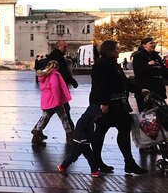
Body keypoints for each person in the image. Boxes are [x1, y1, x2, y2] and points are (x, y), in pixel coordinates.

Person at [91, 40, 149, 175]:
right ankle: (104, 162)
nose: (119, 51)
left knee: (116, 130)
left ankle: (125, 162)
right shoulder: (101, 65)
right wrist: (103, 103)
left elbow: (125, 82)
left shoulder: (113, 64)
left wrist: (139, 90)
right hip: (109, 104)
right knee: (104, 131)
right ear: (109, 50)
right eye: (116, 49)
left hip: (118, 103)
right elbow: (100, 85)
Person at [31, 60, 74, 144]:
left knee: (44, 118)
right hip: (54, 100)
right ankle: (70, 137)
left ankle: (36, 136)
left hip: (46, 99)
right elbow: (55, 88)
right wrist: (58, 101)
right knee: (64, 118)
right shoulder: (54, 74)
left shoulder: (43, 74)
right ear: (57, 67)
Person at [58, 105, 102, 177]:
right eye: (97, 116)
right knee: (74, 156)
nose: (97, 117)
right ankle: (63, 166)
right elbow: (79, 130)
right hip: (80, 142)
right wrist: (83, 138)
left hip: (84, 142)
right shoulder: (84, 120)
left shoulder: (89, 120)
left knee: (89, 157)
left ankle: (94, 171)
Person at [46, 41, 78, 124]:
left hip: (58, 86)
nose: (66, 49)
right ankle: (70, 130)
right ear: (58, 47)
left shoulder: (55, 55)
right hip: (59, 86)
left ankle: (37, 130)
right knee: (65, 109)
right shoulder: (57, 56)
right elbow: (64, 71)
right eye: (64, 47)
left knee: (49, 112)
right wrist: (73, 82)